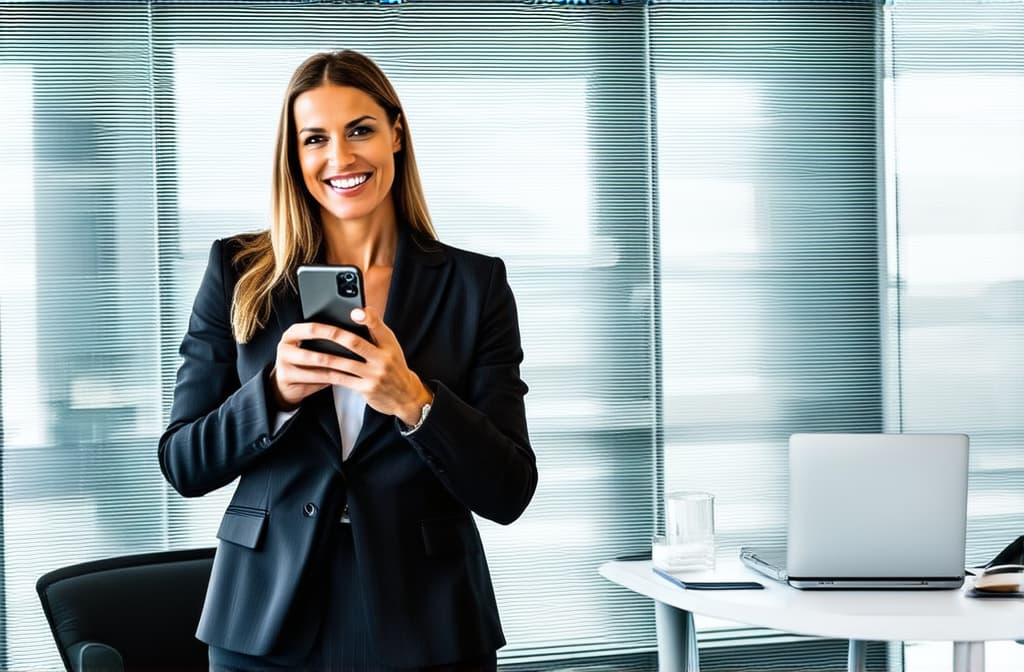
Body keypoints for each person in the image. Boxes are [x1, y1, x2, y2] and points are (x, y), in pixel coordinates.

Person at [158, 49, 537, 672]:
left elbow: (509, 490)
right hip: (263, 622)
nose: (340, 158)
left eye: (359, 129)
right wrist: (274, 394)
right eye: (315, 138)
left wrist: (416, 405)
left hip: (430, 619)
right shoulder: (237, 273)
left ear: (396, 132)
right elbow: (183, 463)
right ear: (295, 155)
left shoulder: (475, 285)